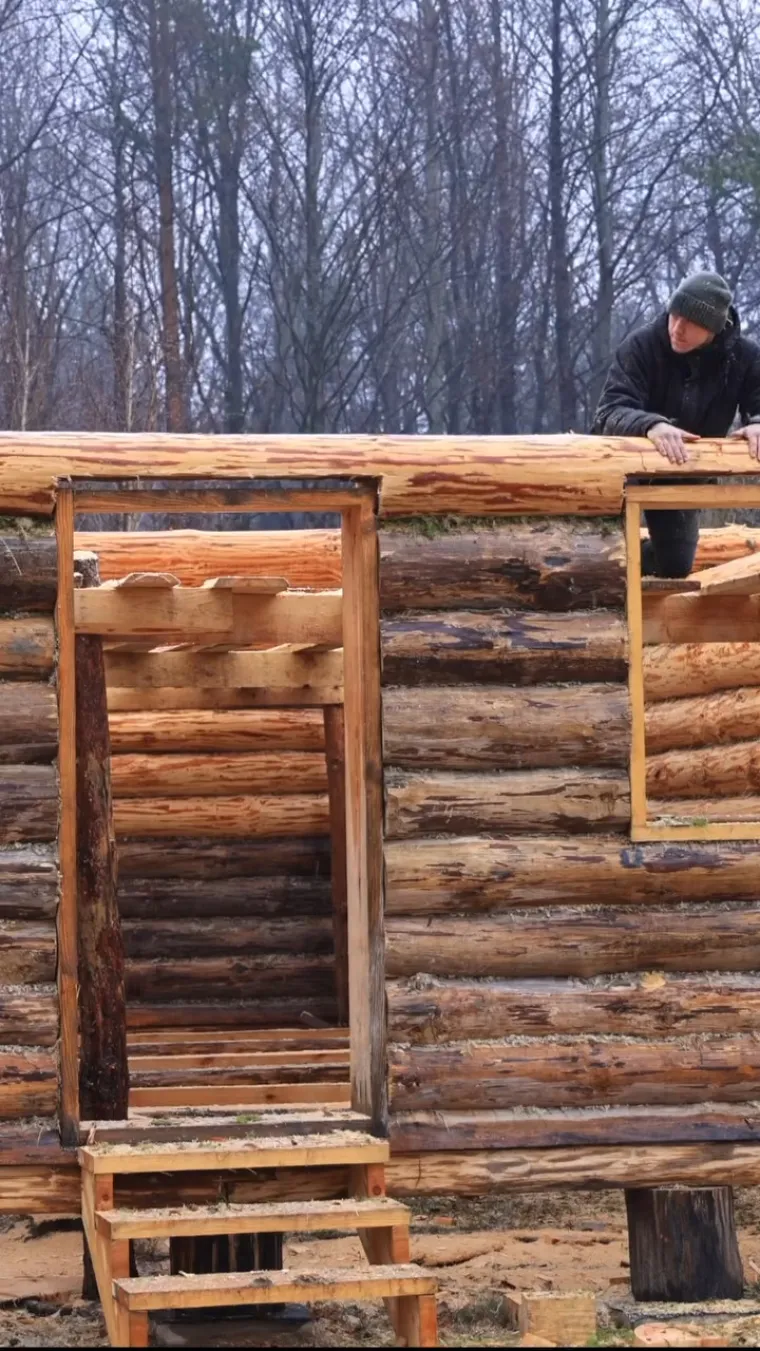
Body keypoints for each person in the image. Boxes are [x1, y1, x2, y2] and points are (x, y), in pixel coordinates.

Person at [592, 271, 760, 576]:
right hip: (622, 468)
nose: (677, 329)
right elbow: (609, 411)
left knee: (675, 566)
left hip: (683, 476)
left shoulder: (745, 357)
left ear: (713, 329)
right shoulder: (641, 345)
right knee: (598, 555)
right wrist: (652, 425)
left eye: (690, 322)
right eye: (674, 316)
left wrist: (758, 423)